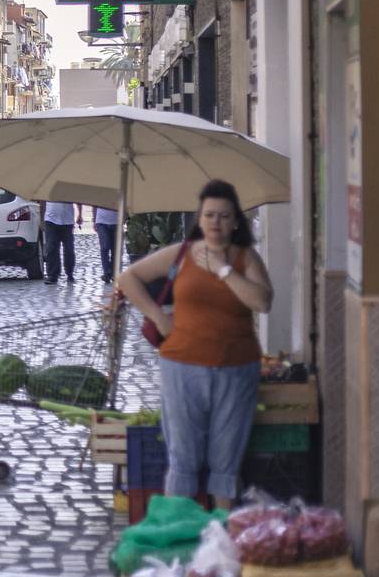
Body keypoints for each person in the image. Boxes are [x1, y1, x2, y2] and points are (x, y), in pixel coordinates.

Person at [116, 180, 273, 509]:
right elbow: (128, 278)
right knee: (183, 459)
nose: (216, 222)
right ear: (199, 219)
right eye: (209, 215)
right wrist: (158, 317)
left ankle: (223, 540)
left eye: (224, 215)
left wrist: (223, 269)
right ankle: (180, 539)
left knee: (226, 462)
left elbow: (262, 302)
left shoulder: (246, 259)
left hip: (236, 368)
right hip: (182, 366)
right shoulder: (181, 255)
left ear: (234, 221)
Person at [41, 200, 82, 284]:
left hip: (67, 220)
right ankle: (52, 275)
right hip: (50, 219)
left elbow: (78, 197)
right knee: (51, 247)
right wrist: (42, 219)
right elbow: (42, 201)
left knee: (69, 249)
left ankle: (69, 273)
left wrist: (80, 213)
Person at [94, 204, 121, 283]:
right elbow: (94, 204)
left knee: (115, 249)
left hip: (116, 222)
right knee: (105, 247)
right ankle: (106, 272)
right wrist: (94, 220)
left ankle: (113, 273)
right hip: (101, 222)